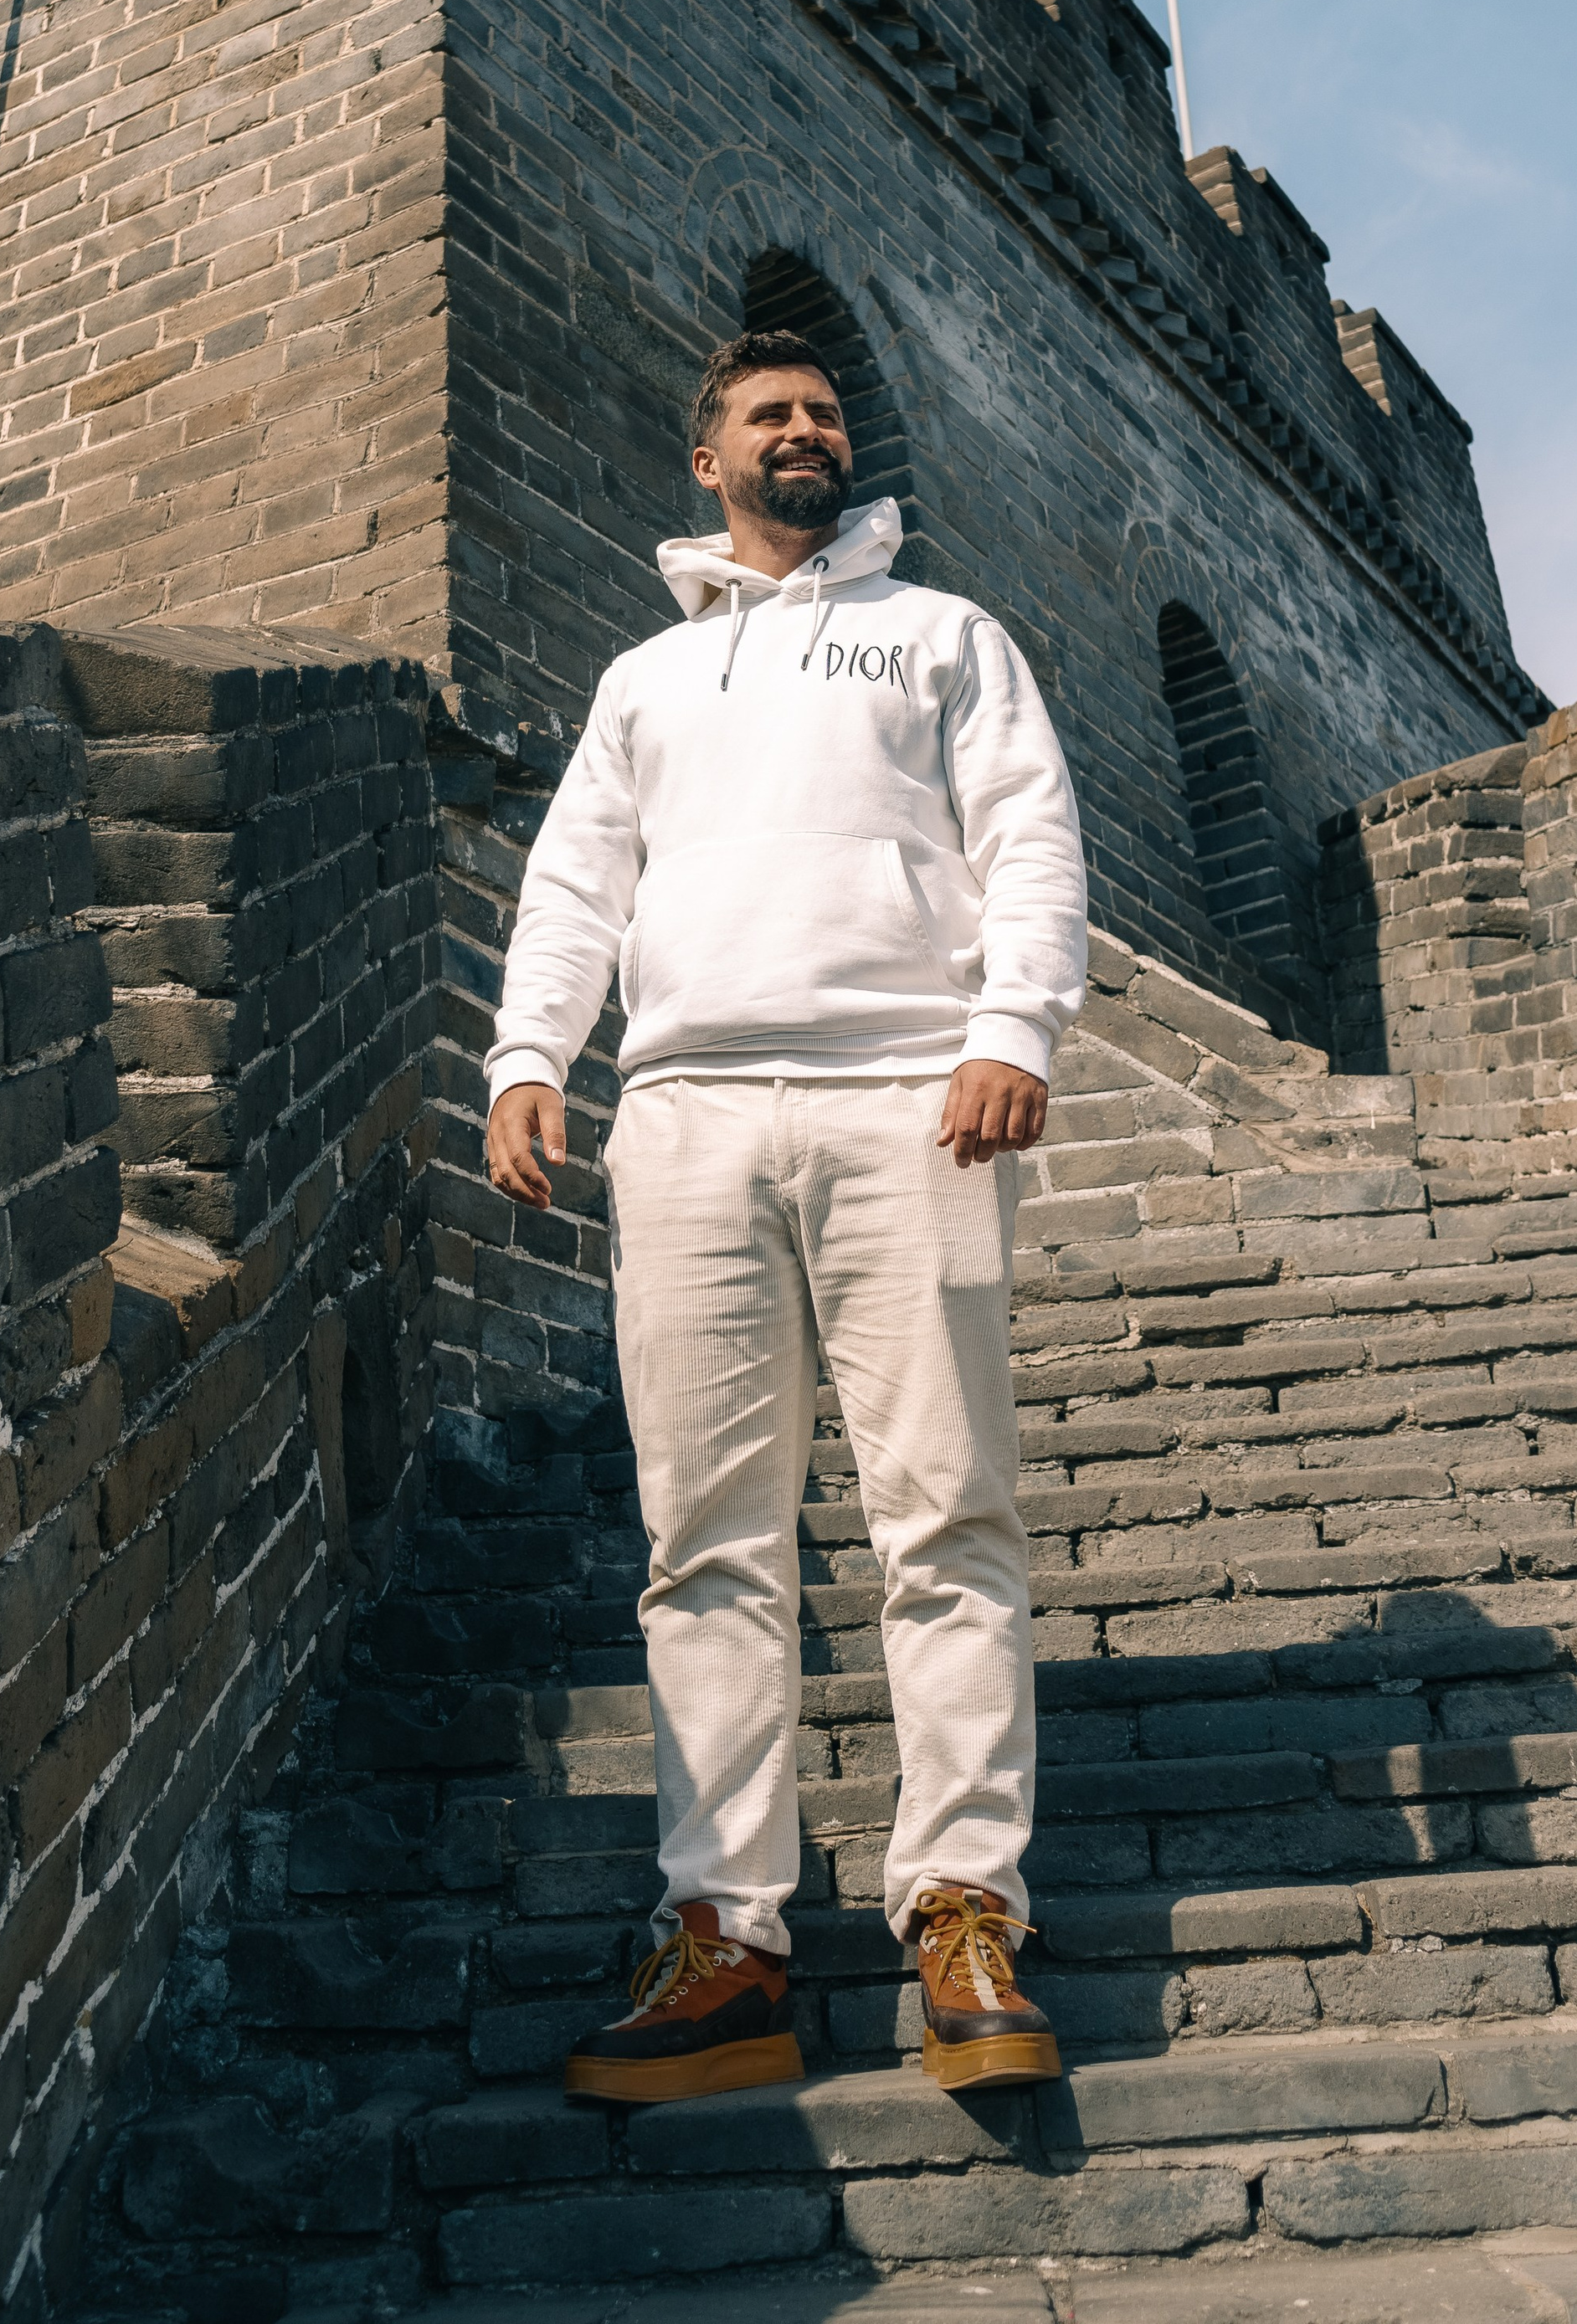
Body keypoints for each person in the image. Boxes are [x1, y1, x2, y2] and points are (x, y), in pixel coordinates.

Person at [484, 326, 1089, 2105]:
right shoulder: (645, 680)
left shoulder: (944, 634)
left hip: (910, 1099)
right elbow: (577, 880)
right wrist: (529, 1054)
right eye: (770, 413)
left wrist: (1010, 1030)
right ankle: (726, 1941)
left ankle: (964, 1908)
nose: (806, 429)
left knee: (946, 1517)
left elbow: (1029, 833)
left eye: (824, 411)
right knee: (704, 1547)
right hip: (683, 1113)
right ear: (710, 460)